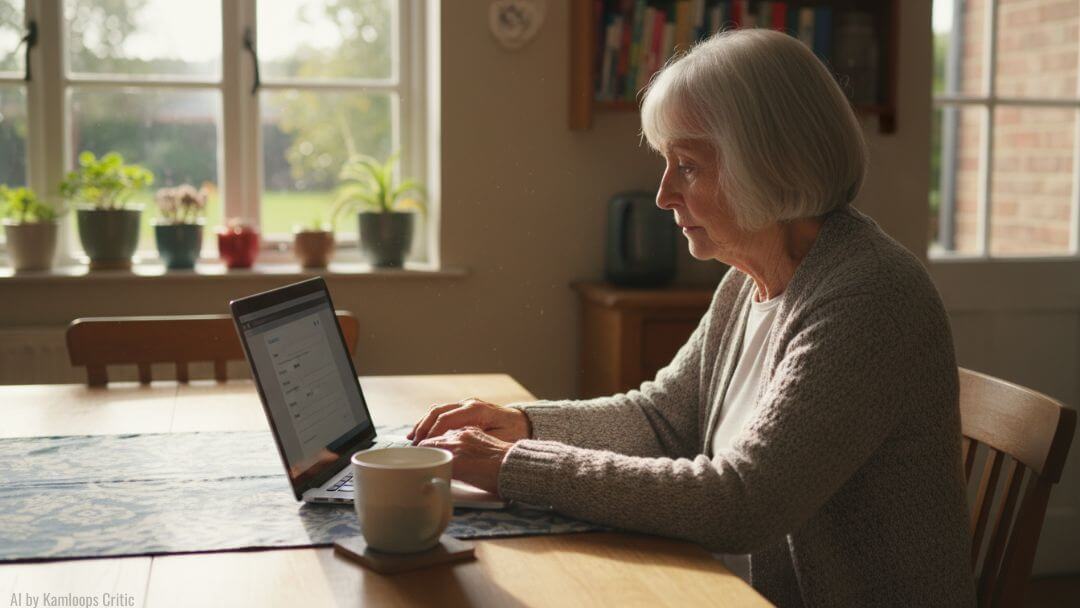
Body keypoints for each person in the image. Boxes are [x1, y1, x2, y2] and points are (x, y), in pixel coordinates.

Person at [408, 29, 976, 607]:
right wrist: (525, 426)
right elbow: (663, 421)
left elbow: (743, 503)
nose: (662, 195)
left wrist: (515, 466)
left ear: (770, 162)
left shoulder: (868, 295)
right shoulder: (746, 281)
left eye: (687, 166)